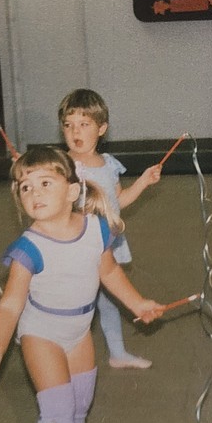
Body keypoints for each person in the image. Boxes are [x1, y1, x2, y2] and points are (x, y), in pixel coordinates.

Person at [0, 146, 161, 423]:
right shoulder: (29, 248)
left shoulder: (96, 229)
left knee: (79, 406)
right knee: (57, 415)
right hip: (41, 333)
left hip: (79, 332)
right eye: (26, 187)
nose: (35, 192)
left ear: (72, 191)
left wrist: (138, 303)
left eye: (45, 183)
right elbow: (9, 305)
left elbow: (110, 273)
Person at [58, 89, 163, 369]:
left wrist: (143, 181)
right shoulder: (61, 166)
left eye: (84, 124)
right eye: (68, 125)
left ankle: (117, 353)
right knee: (72, 303)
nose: (74, 131)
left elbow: (119, 202)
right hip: (75, 247)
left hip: (105, 245)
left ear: (101, 128)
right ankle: (53, 349)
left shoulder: (108, 165)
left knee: (108, 301)